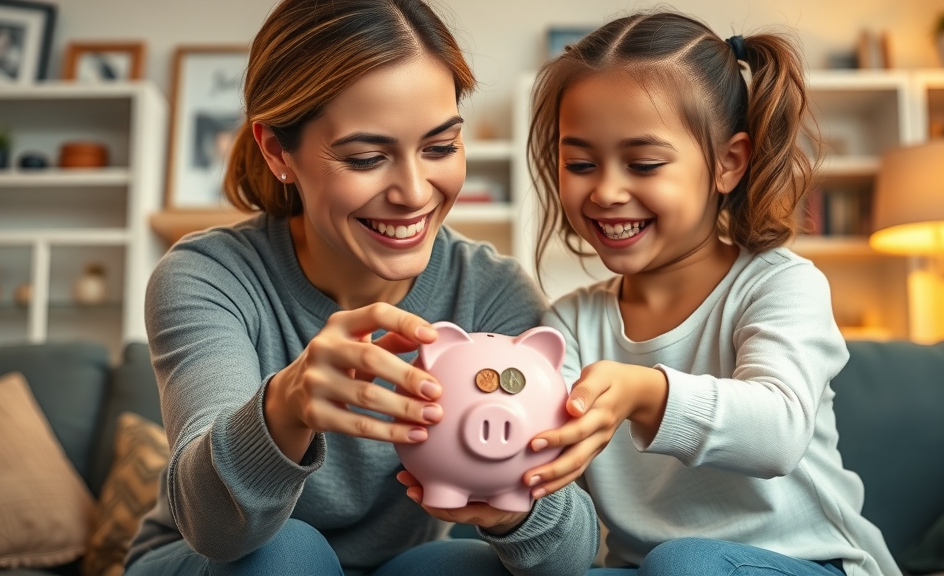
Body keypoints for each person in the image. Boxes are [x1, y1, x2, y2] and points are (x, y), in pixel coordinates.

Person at [124, 1, 598, 575]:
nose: (415, 191)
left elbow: (574, 557)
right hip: (218, 562)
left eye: (441, 147)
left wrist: (514, 508)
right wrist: (285, 408)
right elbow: (214, 529)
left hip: (396, 566)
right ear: (278, 152)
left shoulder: (491, 295)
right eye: (367, 157)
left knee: (459, 565)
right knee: (288, 554)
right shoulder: (209, 277)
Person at [519, 10, 902, 576]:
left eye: (643, 163)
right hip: (647, 570)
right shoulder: (569, 324)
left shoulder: (780, 284)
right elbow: (546, 470)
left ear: (728, 163)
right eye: (580, 163)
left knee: (684, 563)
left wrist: (643, 392)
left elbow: (777, 432)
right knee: (441, 564)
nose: (606, 190)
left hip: (808, 562)